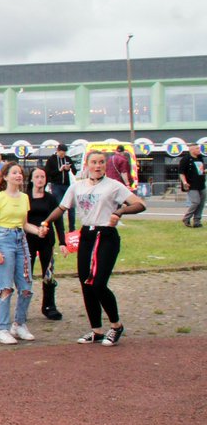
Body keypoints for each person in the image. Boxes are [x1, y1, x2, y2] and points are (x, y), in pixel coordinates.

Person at [40, 150, 145, 346]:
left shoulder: (114, 186)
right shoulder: (77, 187)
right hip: (87, 235)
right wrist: (45, 223)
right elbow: (62, 208)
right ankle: (96, 329)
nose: (98, 166)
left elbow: (140, 204)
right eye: (94, 162)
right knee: (85, 283)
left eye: (101, 162)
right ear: (86, 165)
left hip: (106, 235)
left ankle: (116, 326)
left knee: (97, 283)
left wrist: (120, 211)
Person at [0, 163, 45, 345]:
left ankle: (19, 324)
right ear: (5, 177)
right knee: (5, 287)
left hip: (21, 240)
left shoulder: (24, 198)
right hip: (4, 239)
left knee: (26, 286)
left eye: (20, 173)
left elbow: (24, 223)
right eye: (14, 173)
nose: (18, 176)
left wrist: (37, 231)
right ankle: (1, 329)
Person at [24, 167, 65, 320]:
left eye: (43, 176)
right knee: (26, 274)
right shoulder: (25, 197)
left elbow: (58, 220)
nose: (40, 179)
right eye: (37, 176)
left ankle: (49, 305)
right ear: (32, 179)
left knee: (48, 273)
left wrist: (62, 241)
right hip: (29, 240)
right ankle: (23, 306)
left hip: (47, 240)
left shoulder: (51, 198)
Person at [44, 144, 75, 230]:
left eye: (65, 152)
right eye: (62, 152)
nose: (63, 154)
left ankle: (72, 228)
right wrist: (59, 170)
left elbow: (74, 171)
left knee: (71, 207)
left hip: (68, 186)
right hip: (56, 185)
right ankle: (60, 227)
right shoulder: (51, 160)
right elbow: (48, 173)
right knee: (59, 207)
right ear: (58, 151)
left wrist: (69, 169)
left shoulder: (68, 159)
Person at [179, 142, 205, 228]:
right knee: (195, 202)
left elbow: (200, 170)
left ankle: (197, 221)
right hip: (191, 185)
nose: (199, 150)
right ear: (192, 150)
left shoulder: (200, 158)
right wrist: (184, 182)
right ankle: (186, 218)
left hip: (201, 184)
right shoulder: (186, 159)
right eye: (197, 148)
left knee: (201, 203)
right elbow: (181, 173)